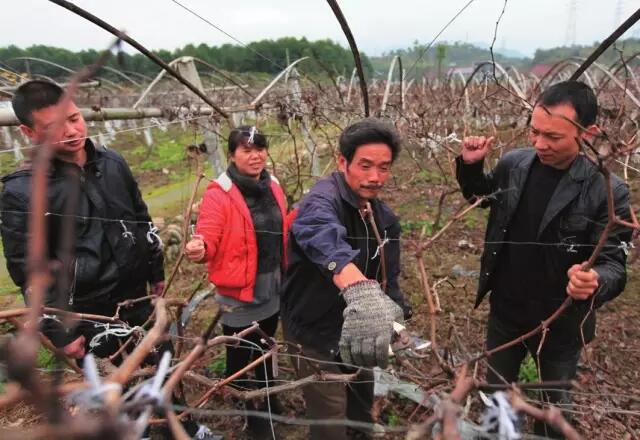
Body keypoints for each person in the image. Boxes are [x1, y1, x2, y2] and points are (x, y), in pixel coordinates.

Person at [456, 80, 631, 437]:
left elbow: (614, 264)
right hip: (506, 310)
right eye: (534, 132)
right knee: (497, 396)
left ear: (588, 133)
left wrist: (594, 280)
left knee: (553, 405)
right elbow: (482, 197)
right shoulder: (514, 164)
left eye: (553, 137)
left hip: (561, 321)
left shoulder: (607, 191)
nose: (539, 144)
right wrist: (471, 168)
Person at [1, 80, 165, 361]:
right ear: (29, 132)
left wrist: (156, 270)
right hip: (88, 319)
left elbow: (140, 218)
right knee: (117, 384)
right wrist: (60, 333)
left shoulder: (112, 162)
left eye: (74, 118)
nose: (71, 131)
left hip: (139, 300)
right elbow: (28, 269)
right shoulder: (22, 192)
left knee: (163, 370)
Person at [280, 118, 412, 440]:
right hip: (314, 333)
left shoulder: (383, 218)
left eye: (383, 168)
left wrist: (396, 321)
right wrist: (358, 288)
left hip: (358, 329)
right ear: (343, 162)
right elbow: (320, 232)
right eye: (365, 166)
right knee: (329, 417)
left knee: (361, 400)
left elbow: (389, 278)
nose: (375, 177)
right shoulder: (321, 201)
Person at [185, 126, 288, 438]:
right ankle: (249, 409)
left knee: (266, 345)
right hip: (239, 293)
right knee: (241, 353)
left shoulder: (273, 184)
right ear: (232, 155)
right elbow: (208, 233)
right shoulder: (220, 193)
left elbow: (283, 225)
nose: (255, 156)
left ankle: (269, 397)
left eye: (260, 149)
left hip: (271, 284)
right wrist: (201, 247)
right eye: (247, 150)